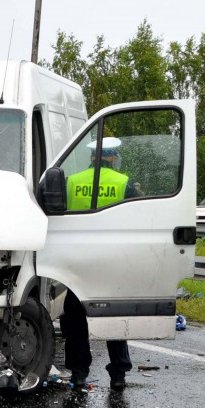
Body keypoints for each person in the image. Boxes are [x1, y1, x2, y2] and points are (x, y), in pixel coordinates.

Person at [61, 137, 138, 391]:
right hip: (113, 260)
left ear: (92, 158)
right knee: (114, 316)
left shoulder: (73, 181)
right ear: (114, 158)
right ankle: (118, 374)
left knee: (76, 318)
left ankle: (79, 374)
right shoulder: (124, 183)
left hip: (78, 260)